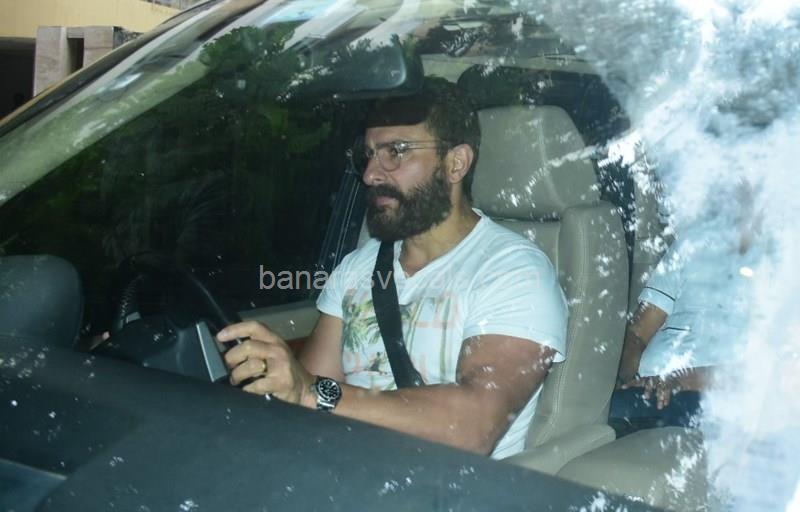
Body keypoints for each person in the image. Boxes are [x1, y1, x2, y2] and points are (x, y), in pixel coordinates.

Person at [217, 77, 568, 459]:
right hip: (345, 467)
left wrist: (312, 392)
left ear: (455, 163)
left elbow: (473, 426)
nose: (370, 174)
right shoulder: (358, 267)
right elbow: (307, 394)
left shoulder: (515, 272)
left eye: (396, 152)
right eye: (368, 155)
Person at [612, 187, 763, 434]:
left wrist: (679, 380)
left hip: (717, 401)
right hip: (651, 390)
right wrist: (626, 380)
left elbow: (771, 368)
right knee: (598, 413)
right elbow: (638, 333)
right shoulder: (694, 242)